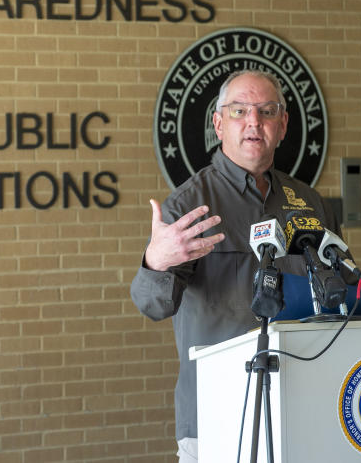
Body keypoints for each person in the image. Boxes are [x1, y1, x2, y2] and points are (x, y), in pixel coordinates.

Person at [131, 69, 340, 462]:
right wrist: (154, 262)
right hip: (217, 411)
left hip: (304, 406)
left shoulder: (311, 203)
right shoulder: (187, 205)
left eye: (266, 111)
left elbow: (342, 298)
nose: (253, 123)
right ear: (218, 123)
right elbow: (152, 306)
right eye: (239, 111)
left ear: (283, 125)